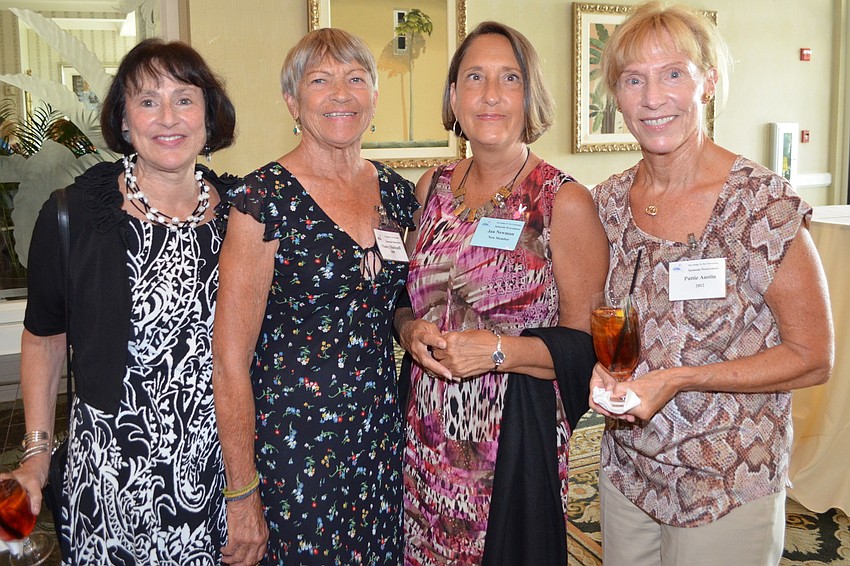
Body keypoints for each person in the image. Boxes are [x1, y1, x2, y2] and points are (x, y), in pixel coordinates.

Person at [589, 3, 834, 565]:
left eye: (673, 73)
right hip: (629, 474)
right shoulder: (606, 204)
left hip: (728, 481)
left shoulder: (759, 205)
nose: (653, 98)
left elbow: (814, 356)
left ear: (709, 82)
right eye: (634, 79)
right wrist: (597, 366)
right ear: (616, 95)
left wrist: (679, 379)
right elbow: (598, 320)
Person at [15, 38, 237, 563]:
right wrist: (37, 455)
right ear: (124, 118)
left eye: (184, 99)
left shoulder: (244, 219)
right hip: (109, 485)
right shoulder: (73, 215)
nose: (168, 117)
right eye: (147, 100)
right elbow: (43, 339)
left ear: (209, 116)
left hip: (221, 479)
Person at [395, 21, 608, 565]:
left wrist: (495, 351)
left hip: (511, 435)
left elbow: (587, 346)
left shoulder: (564, 202)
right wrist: (409, 330)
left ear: (529, 94)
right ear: (453, 96)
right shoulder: (432, 188)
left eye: (509, 79)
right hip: (423, 433)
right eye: (474, 78)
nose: (490, 95)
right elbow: (408, 300)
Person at [212, 28, 418, 565]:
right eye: (320, 81)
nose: (341, 94)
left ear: (374, 95)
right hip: (293, 448)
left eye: (356, 79)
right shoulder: (262, 201)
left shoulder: (397, 192)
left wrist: (412, 327)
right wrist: (242, 492)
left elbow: (396, 300)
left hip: (377, 437)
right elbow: (229, 361)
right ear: (292, 102)